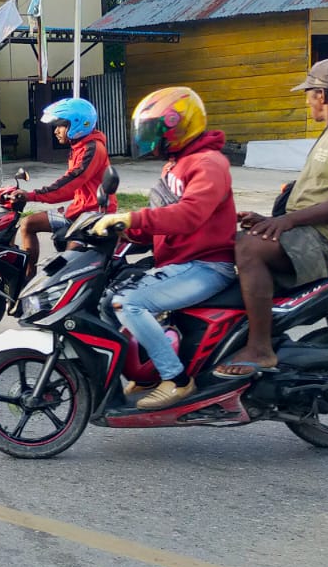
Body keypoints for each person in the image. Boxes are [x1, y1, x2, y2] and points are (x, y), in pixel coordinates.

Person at [216, 59, 328, 378]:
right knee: (227, 242)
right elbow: (320, 192)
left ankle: (260, 348)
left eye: (308, 94)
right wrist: (271, 219)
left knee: (248, 249)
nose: (307, 101)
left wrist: (287, 223)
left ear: (321, 95)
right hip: (311, 232)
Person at [91, 88, 237, 409]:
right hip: (181, 263)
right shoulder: (177, 164)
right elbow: (163, 222)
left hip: (206, 265)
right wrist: (128, 232)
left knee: (129, 303)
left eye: (156, 130)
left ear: (178, 126)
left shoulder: (208, 163)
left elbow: (189, 215)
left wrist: (131, 217)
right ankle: (145, 375)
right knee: (107, 299)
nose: (151, 138)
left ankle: (177, 380)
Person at [14, 98, 111, 281]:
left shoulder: (93, 149)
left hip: (92, 216)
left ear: (77, 124)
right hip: (76, 211)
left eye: (60, 125)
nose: (56, 130)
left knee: (66, 268)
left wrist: (32, 196)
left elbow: (69, 184)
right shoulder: (78, 147)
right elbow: (70, 189)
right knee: (28, 224)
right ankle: (27, 281)